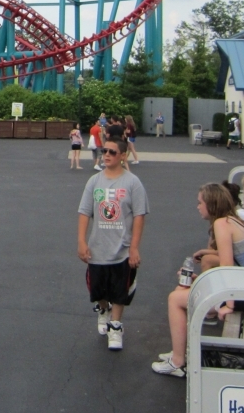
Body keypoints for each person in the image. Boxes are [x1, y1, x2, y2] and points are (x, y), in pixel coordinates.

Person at [152, 183, 244, 377]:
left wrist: (229, 304)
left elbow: (227, 268)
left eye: (200, 202)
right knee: (182, 293)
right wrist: (199, 281)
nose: (197, 206)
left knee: (174, 299)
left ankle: (178, 362)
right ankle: (181, 352)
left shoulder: (222, 224)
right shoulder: (232, 220)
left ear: (211, 204)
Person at [78, 139, 148, 351]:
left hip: (122, 249)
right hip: (98, 247)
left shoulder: (133, 183)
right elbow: (84, 212)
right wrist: (81, 241)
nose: (106, 154)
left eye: (112, 152)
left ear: (123, 156)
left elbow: (139, 216)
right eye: (104, 151)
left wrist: (134, 247)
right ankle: (103, 310)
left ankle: (115, 326)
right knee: (97, 290)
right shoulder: (93, 182)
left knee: (120, 289)